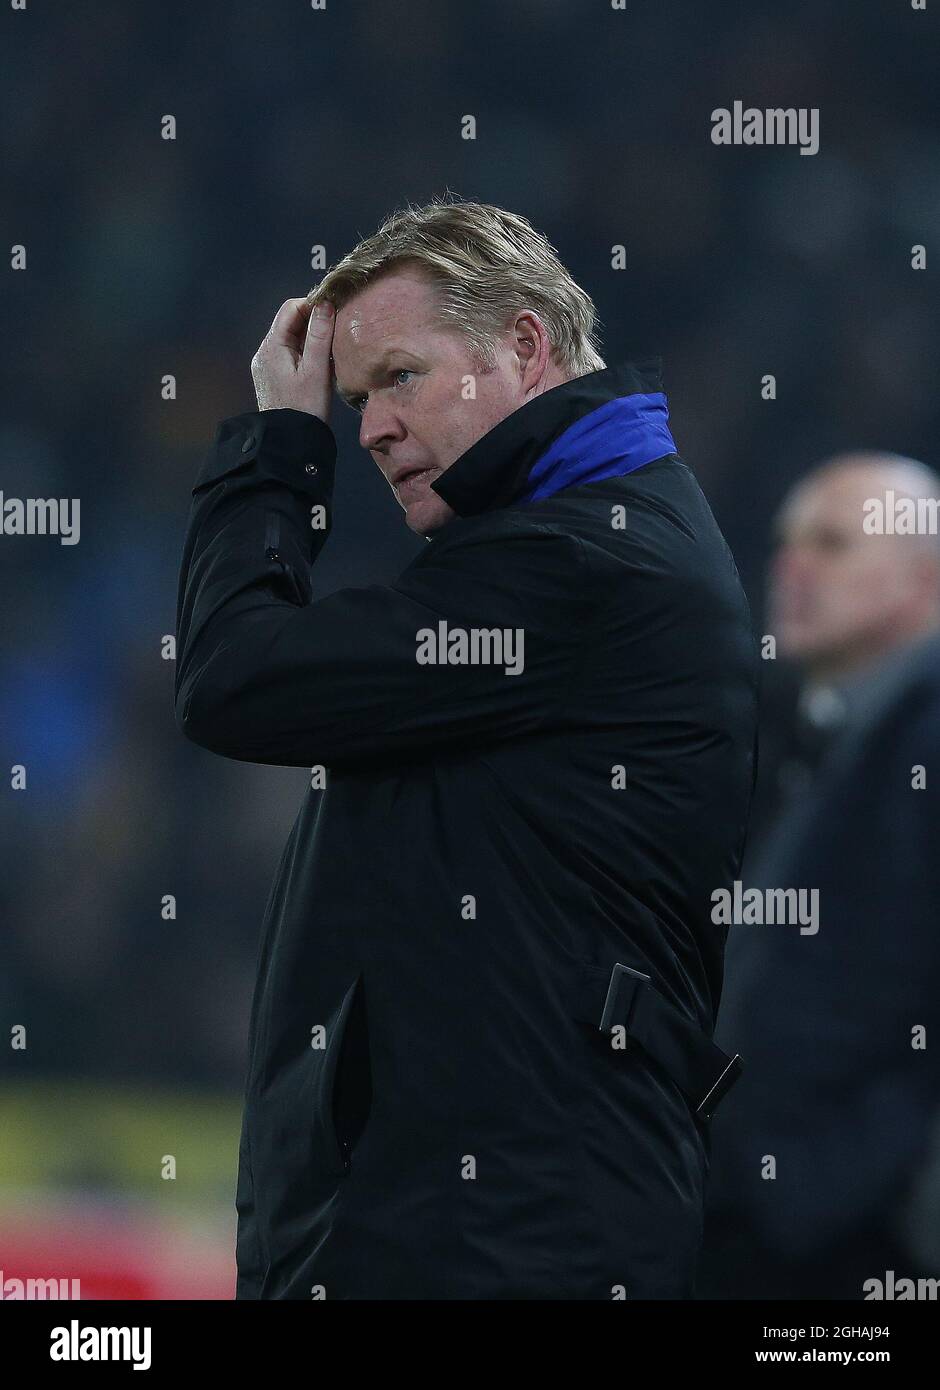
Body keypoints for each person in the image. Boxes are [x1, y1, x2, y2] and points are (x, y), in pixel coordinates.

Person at [175, 196, 759, 1299]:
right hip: (486, 1223)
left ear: (526, 346)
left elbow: (231, 679)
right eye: (349, 402)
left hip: (500, 1242)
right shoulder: (569, 544)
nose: (370, 429)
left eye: (400, 377)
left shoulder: (585, 565)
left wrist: (276, 449)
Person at [699, 453, 940, 1299]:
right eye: (786, 541)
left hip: (861, 1241)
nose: (791, 566)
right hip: (788, 1230)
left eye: (832, 543)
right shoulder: (824, 733)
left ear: (927, 576)